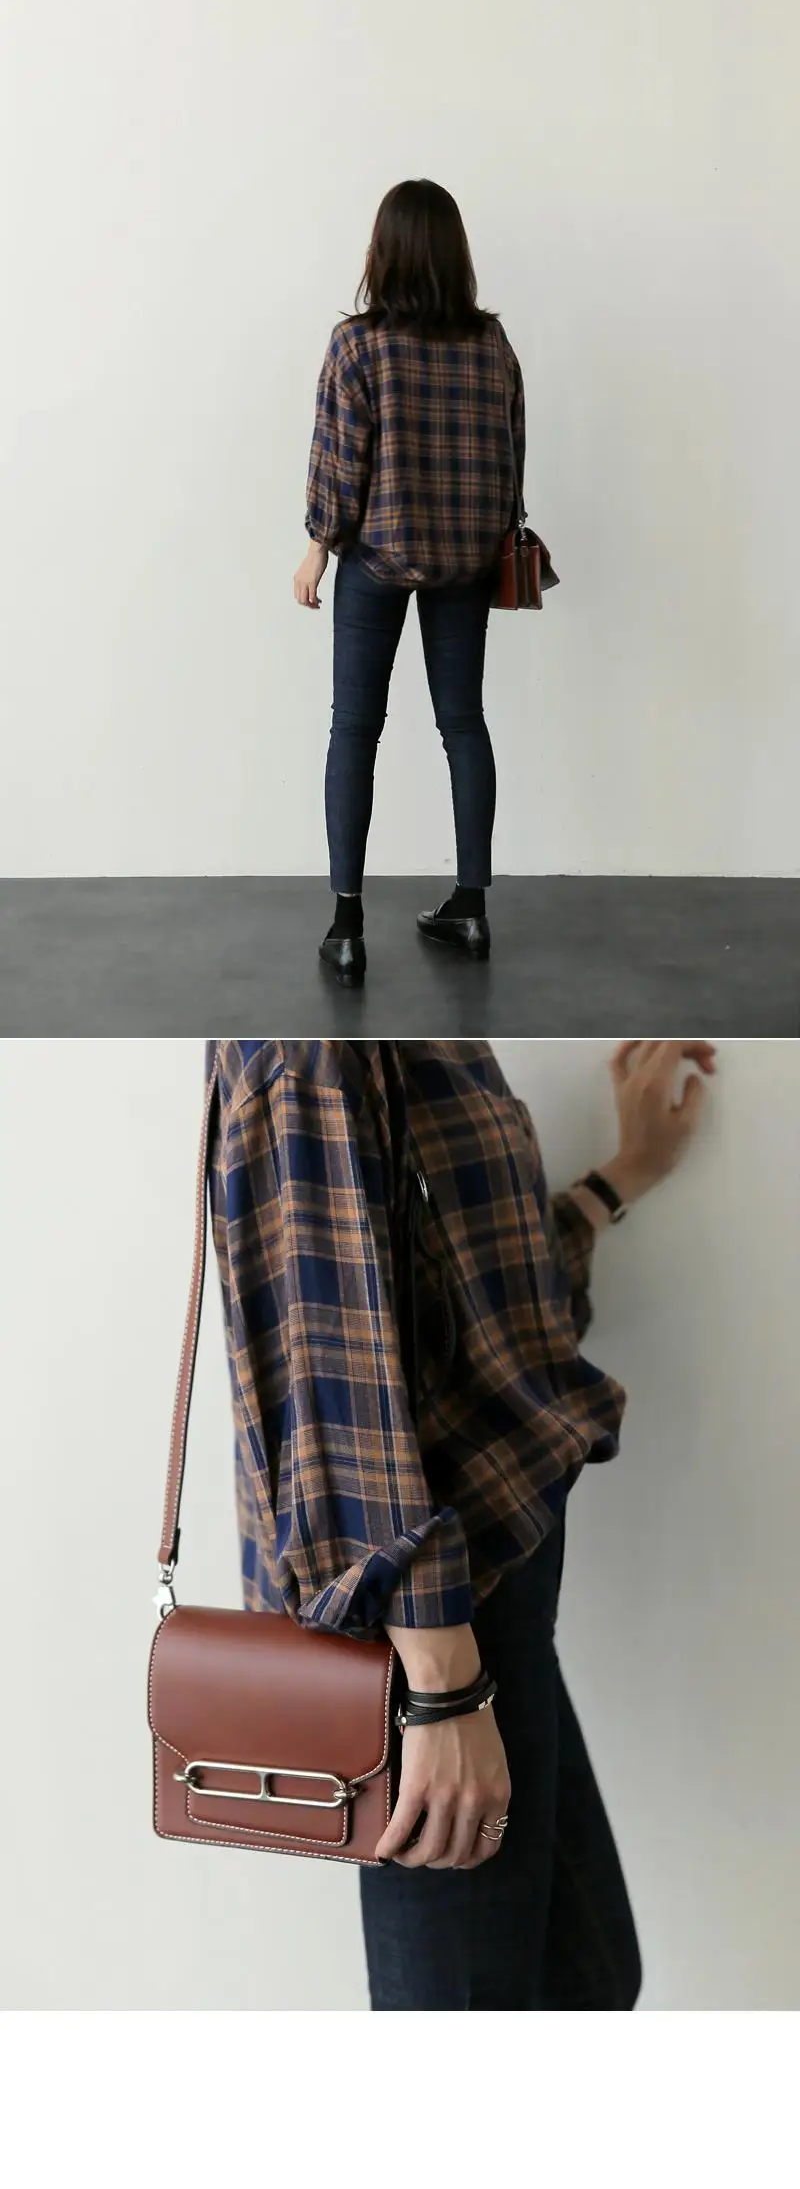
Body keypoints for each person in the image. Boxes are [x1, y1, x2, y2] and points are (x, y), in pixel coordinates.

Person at [207, 1031, 715, 2011]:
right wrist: (441, 1693)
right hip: (431, 1637)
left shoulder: (407, 1015)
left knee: (588, 1977)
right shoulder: (306, 1041)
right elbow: (330, 1385)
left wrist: (618, 1178)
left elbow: (471, 1304)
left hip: (489, 1605)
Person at [294, 177, 529, 983]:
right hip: (466, 558)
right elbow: (511, 451)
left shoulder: (358, 345)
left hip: (376, 556)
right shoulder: (490, 344)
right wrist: (498, 529)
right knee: (463, 723)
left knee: (354, 728)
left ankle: (347, 923)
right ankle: (472, 906)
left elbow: (339, 459)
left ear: (383, 250)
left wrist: (318, 545)